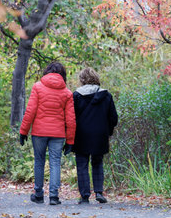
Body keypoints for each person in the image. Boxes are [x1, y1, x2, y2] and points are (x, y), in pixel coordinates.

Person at [19, 62, 76, 205]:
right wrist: (70, 141)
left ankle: (38, 194)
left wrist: (23, 131)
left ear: (47, 72)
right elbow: (71, 120)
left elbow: (30, 111)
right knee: (55, 162)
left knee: (39, 161)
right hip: (58, 134)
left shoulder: (38, 87)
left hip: (39, 132)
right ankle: (54, 196)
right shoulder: (67, 93)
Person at [72, 67, 118, 204]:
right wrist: (108, 131)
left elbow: (71, 117)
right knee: (97, 163)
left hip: (81, 134)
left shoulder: (76, 95)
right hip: (100, 134)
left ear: (82, 79)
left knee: (82, 164)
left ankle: (85, 195)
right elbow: (113, 118)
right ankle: (98, 192)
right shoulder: (106, 95)